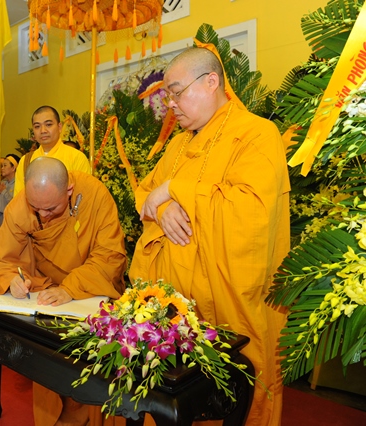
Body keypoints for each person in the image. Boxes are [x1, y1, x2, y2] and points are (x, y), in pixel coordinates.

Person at [129, 47, 290, 426]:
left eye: (176, 92)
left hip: (227, 303)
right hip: (173, 306)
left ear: (211, 82)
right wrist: (163, 209)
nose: (171, 105)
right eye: (167, 96)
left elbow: (250, 212)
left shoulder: (256, 134)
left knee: (232, 402)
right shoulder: (179, 144)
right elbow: (145, 195)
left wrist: (175, 189)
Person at [0, 157, 127, 426]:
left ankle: (86, 411)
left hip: (91, 287)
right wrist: (11, 279)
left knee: (93, 362)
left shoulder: (95, 195)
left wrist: (71, 288)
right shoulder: (22, 206)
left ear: (69, 189)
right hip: (47, 291)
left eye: (50, 208)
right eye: (36, 208)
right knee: (47, 355)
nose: (42, 215)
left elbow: (110, 255)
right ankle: (64, 410)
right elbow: (0, 259)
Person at [14, 106, 91, 196]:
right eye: (37, 126)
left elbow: (85, 197)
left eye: (48, 125)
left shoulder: (76, 157)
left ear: (59, 127)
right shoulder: (25, 161)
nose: (43, 131)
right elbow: (18, 199)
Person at [0, 154, 19, 223]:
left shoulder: (18, 184)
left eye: (5, 165)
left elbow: (16, 205)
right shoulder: (3, 183)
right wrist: (0, 193)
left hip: (13, 221)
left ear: (13, 168)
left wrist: (3, 192)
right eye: (2, 166)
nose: (2, 168)